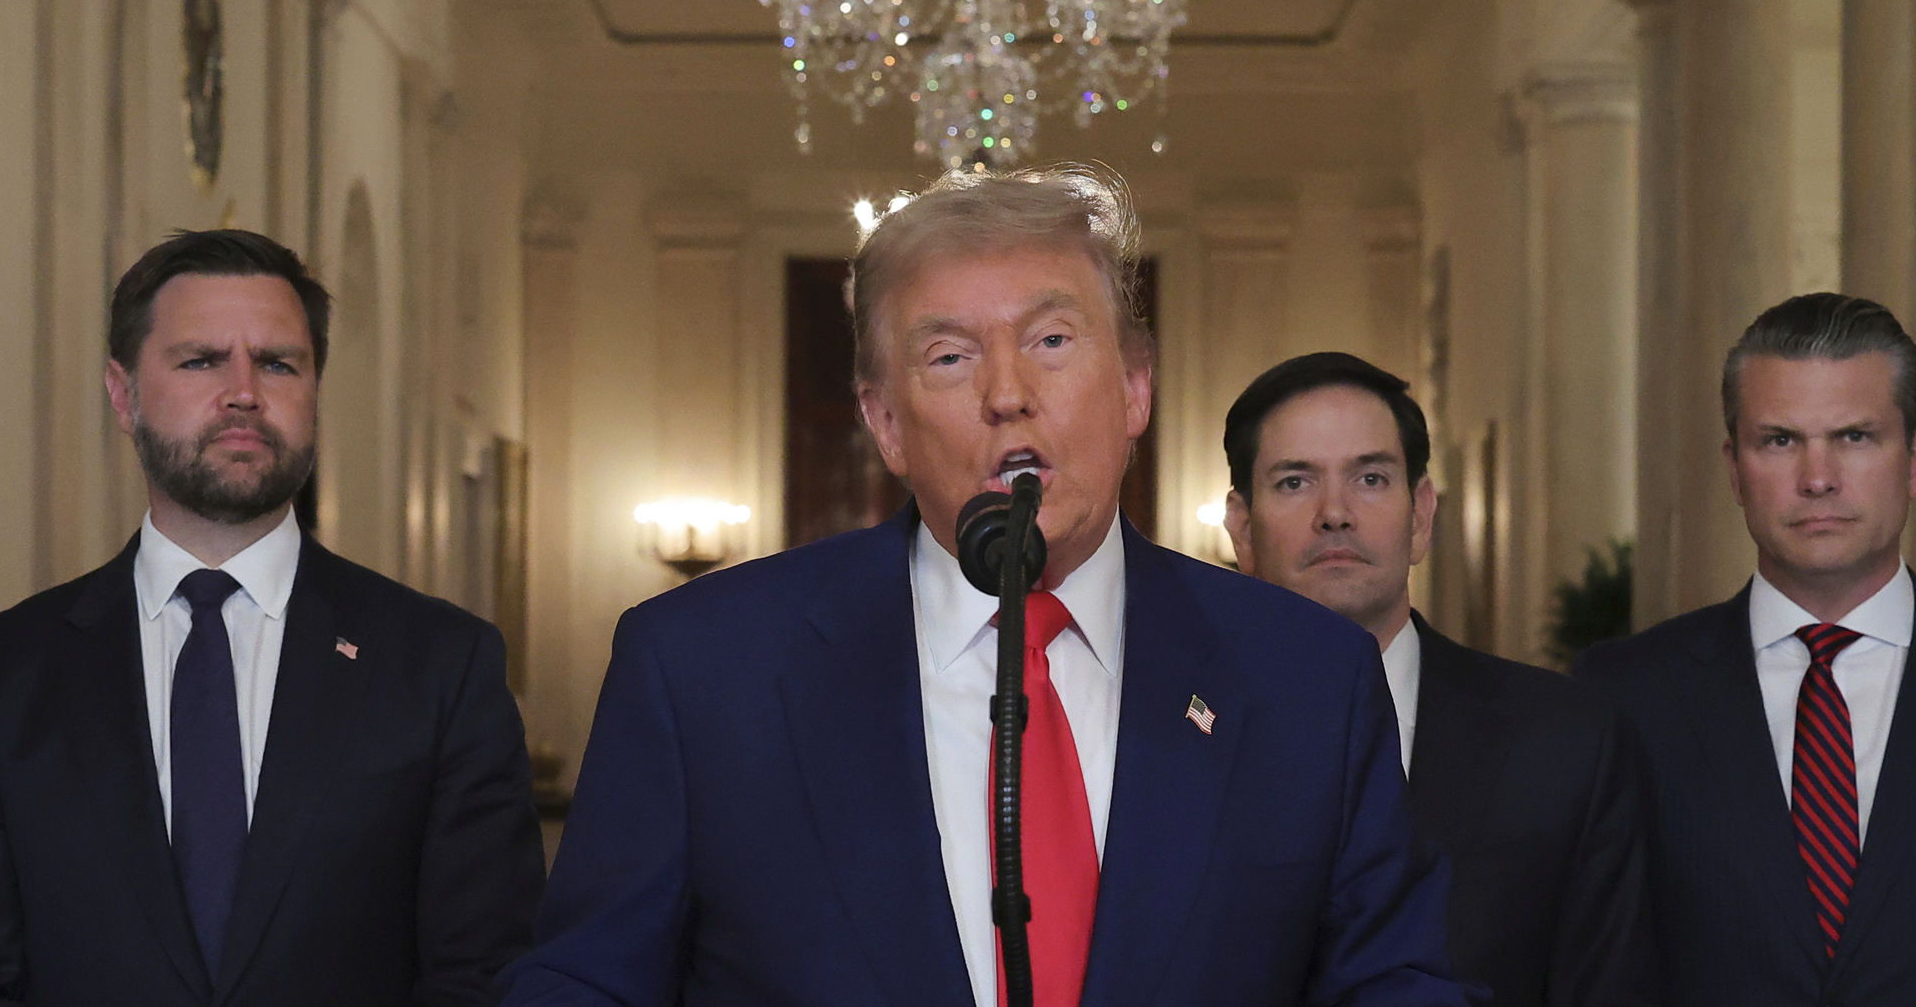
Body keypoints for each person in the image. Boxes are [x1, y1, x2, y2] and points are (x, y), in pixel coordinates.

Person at [502, 169, 1467, 1007]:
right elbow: (587, 977)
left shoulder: (1306, 677)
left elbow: (1393, 978)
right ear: (885, 423)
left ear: (1135, 386)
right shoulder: (705, 669)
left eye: (1051, 340)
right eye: (950, 357)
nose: (1007, 391)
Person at [0, 230, 545, 1007]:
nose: (244, 391)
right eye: (201, 360)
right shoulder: (13, 669)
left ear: (314, 391)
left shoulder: (441, 664)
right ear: (122, 394)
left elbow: (484, 970)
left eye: (279, 362)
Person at [1574, 292, 1916, 1005]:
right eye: (1779, 440)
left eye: (1853, 436)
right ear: (1733, 467)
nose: (1816, 477)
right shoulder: (1623, 696)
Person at [1221, 352, 1654, 1007]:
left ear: (1421, 515)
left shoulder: (1566, 744)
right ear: (1240, 526)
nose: (1334, 512)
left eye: (1369, 477)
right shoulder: (1172, 736)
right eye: (1293, 482)